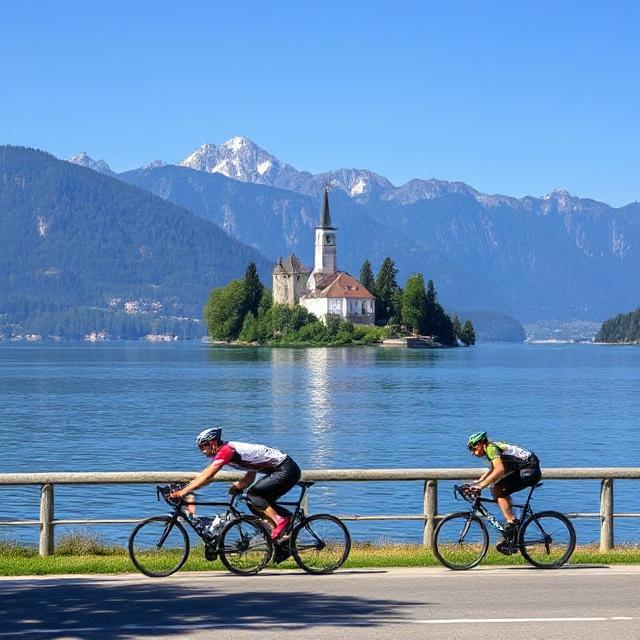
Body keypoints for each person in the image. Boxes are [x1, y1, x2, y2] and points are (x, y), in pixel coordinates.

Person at [168, 427, 301, 540]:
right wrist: (241, 484)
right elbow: (252, 470)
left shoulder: (226, 451)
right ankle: (283, 530)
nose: (202, 451)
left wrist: (183, 491)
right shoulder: (230, 450)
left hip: (286, 469)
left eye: (203, 447)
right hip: (285, 469)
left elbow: (207, 475)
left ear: (213, 443)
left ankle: (280, 521)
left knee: (254, 495)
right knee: (254, 503)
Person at [466, 431, 541, 540]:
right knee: (496, 490)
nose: (472, 453)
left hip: (530, 470)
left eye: (473, 449)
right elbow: (492, 469)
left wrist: (481, 486)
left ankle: (512, 523)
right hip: (528, 469)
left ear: (481, 443)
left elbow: (499, 469)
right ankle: (513, 524)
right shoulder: (490, 449)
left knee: (497, 489)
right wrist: (477, 483)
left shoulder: (491, 448)